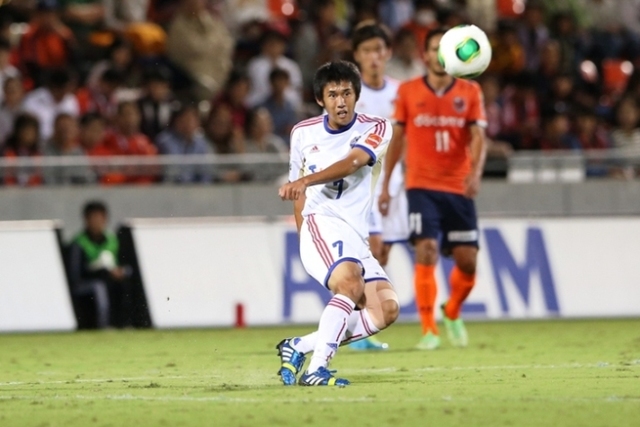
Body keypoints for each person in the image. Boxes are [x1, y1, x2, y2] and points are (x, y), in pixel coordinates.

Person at [276, 60, 399, 387]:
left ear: (357, 95)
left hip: (355, 233)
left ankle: (299, 346)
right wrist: (306, 239)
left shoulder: (377, 127)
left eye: (347, 93)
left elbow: (353, 162)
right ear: (321, 99)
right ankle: (317, 369)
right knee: (350, 284)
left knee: (385, 309)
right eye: (332, 95)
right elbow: (298, 194)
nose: (341, 101)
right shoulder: (302, 133)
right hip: (321, 223)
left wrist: (306, 180)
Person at [379, 28, 488, 351]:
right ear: (425, 55)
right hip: (421, 185)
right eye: (434, 49)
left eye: (445, 48)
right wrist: (385, 186)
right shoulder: (408, 91)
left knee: (468, 262)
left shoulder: (470, 91)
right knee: (425, 250)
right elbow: (397, 140)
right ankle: (429, 329)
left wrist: (475, 173)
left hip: (458, 186)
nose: (440, 55)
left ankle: (451, 311)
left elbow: (479, 137)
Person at [348, 23, 409, 351]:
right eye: (367, 50)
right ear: (357, 55)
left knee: (382, 252)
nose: (373, 57)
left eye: (378, 50)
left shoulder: (400, 92)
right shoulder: (350, 94)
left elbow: (407, 136)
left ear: (388, 53)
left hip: (394, 180)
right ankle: (358, 327)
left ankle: (363, 326)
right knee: (368, 250)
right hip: (362, 183)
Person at [67, 201, 133, 328]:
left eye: (100, 217)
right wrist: (102, 271)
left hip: (110, 280)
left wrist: (121, 271)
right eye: (93, 218)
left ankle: (126, 324)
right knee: (99, 287)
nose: (97, 222)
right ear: (86, 219)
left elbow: (125, 264)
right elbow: (75, 275)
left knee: (125, 282)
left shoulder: (113, 240)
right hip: (88, 283)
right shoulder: (79, 243)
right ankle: (103, 325)